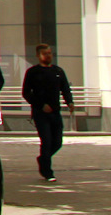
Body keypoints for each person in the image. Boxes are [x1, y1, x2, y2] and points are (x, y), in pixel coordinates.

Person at [21, 43, 75, 181]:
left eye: (50, 53)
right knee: (46, 141)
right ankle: (47, 172)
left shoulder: (58, 71)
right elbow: (26, 93)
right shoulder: (33, 72)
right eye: (45, 54)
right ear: (39, 56)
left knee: (57, 142)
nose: (48, 56)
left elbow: (65, 88)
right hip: (40, 113)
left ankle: (43, 159)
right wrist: (40, 105)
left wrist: (69, 102)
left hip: (55, 112)